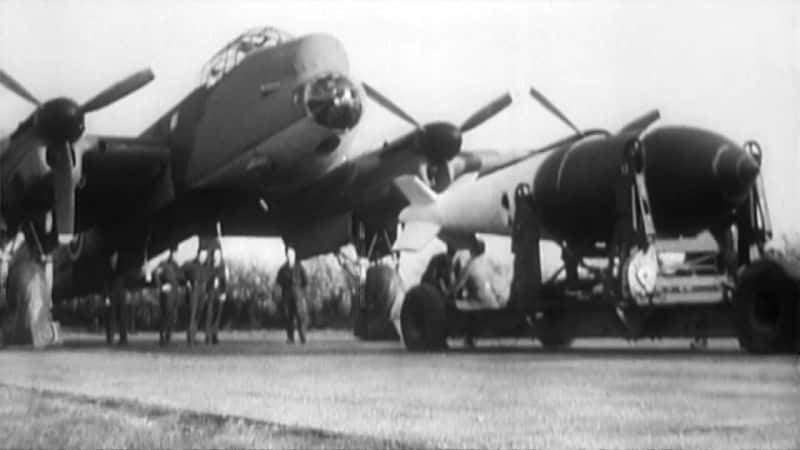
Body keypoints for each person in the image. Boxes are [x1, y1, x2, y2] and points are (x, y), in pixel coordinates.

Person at [452, 239, 500, 348]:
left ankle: (467, 337)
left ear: (472, 250)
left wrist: (447, 294)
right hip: (494, 303)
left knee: (453, 305)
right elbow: (496, 285)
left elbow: (457, 286)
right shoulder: (489, 264)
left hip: (479, 304)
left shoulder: (470, 265)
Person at [276, 245, 308, 344]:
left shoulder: (300, 267)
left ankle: (302, 337)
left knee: (300, 316)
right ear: (287, 256)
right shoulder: (282, 269)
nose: (290, 256)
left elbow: (305, 281)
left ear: (294, 255)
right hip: (287, 296)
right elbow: (279, 282)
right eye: (289, 255)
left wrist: (301, 293)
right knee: (288, 317)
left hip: (298, 295)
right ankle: (290, 338)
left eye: (292, 254)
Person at [155, 246, 181, 346]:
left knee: (172, 316)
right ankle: (162, 338)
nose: (176, 255)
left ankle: (168, 338)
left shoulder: (176, 265)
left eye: (176, 253)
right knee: (166, 315)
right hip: (166, 293)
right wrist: (161, 287)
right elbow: (156, 275)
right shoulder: (163, 264)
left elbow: (179, 277)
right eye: (174, 253)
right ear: (171, 253)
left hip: (175, 292)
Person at [183, 248, 210, 345]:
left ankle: (193, 336)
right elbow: (181, 273)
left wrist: (206, 292)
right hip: (194, 290)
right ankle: (190, 338)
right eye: (202, 255)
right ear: (198, 254)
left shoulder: (206, 266)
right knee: (192, 314)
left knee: (198, 314)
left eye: (205, 256)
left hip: (202, 291)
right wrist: (186, 282)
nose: (203, 257)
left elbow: (208, 280)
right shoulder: (190, 265)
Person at [204, 248, 228, 345]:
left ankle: (215, 336)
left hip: (220, 293)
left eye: (218, 254)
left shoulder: (223, 267)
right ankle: (208, 337)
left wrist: (224, 293)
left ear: (220, 256)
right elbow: (206, 280)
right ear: (213, 256)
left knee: (217, 316)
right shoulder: (209, 266)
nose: (216, 256)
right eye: (215, 254)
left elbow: (225, 281)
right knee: (209, 315)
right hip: (210, 293)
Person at [104, 252, 129, 346]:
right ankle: (110, 338)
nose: (115, 259)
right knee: (111, 318)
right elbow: (105, 285)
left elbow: (126, 283)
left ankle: (123, 339)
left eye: (116, 258)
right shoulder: (107, 271)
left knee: (122, 317)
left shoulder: (122, 270)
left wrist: (126, 295)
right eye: (113, 258)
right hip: (111, 297)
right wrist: (106, 297)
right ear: (111, 259)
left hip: (121, 297)